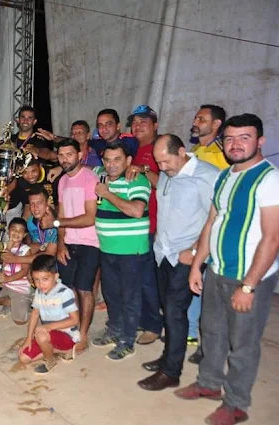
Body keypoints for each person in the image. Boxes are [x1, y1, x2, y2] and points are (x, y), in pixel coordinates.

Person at [175, 114, 279, 425]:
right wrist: (198, 265)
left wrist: (248, 286)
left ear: (260, 141)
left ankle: (236, 403)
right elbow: (212, 222)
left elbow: (272, 238)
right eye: (230, 138)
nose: (235, 144)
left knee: (243, 344)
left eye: (244, 138)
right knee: (212, 332)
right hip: (217, 270)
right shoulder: (225, 176)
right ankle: (208, 383)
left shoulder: (269, 180)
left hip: (248, 276)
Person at [137, 134, 218, 391]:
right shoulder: (166, 175)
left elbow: (216, 218)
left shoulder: (207, 176)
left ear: (182, 151)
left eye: (166, 161)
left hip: (187, 256)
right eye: (158, 162)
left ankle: (171, 371)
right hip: (164, 253)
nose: (162, 167)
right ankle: (167, 358)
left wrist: (194, 250)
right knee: (168, 309)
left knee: (174, 311)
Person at [91, 142, 151, 361]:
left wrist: (107, 194)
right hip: (107, 248)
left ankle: (127, 340)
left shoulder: (136, 180)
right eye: (107, 160)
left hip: (131, 251)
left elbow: (136, 210)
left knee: (129, 297)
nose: (111, 164)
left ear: (128, 161)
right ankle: (114, 329)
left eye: (117, 159)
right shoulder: (101, 173)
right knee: (111, 294)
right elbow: (81, 166)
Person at [42, 139, 100, 354]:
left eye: (69, 154)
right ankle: (72, 328)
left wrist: (57, 223)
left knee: (84, 290)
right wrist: (60, 243)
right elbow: (62, 214)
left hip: (90, 243)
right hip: (69, 243)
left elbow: (90, 217)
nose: (64, 159)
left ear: (80, 155)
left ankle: (83, 335)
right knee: (69, 290)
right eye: (61, 155)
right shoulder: (63, 181)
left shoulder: (90, 179)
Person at [186, 104, 228, 363]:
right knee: (195, 283)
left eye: (201, 118)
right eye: (196, 117)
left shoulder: (223, 154)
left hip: (214, 230)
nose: (195, 121)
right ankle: (191, 333)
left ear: (216, 124)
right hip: (195, 229)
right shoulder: (195, 152)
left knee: (213, 291)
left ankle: (210, 344)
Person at [126, 104, 163, 345]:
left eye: (143, 122)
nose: (138, 126)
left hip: (151, 224)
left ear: (155, 125)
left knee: (148, 277)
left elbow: (166, 184)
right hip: (133, 222)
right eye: (135, 122)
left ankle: (153, 325)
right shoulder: (136, 149)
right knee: (135, 276)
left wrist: (144, 169)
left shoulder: (160, 148)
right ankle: (141, 317)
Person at [18, 254, 80, 375]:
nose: (41, 284)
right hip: (49, 334)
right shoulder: (40, 291)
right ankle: (54, 350)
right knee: (23, 358)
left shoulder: (65, 293)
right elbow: (35, 313)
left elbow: (74, 320)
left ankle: (50, 360)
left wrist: (48, 327)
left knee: (41, 336)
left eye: (45, 279)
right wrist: (28, 339)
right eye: (36, 280)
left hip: (66, 335)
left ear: (55, 276)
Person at [0, 218, 33, 325]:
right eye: (13, 229)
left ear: (24, 235)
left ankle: (28, 300)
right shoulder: (3, 246)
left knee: (20, 321)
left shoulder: (26, 250)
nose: (16, 232)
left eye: (20, 231)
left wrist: (8, 278)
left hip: (19, 289)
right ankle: (9, 302)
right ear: (8, 231)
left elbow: (24, 271)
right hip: (5, 286)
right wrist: (8, 248)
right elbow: (0, 265)